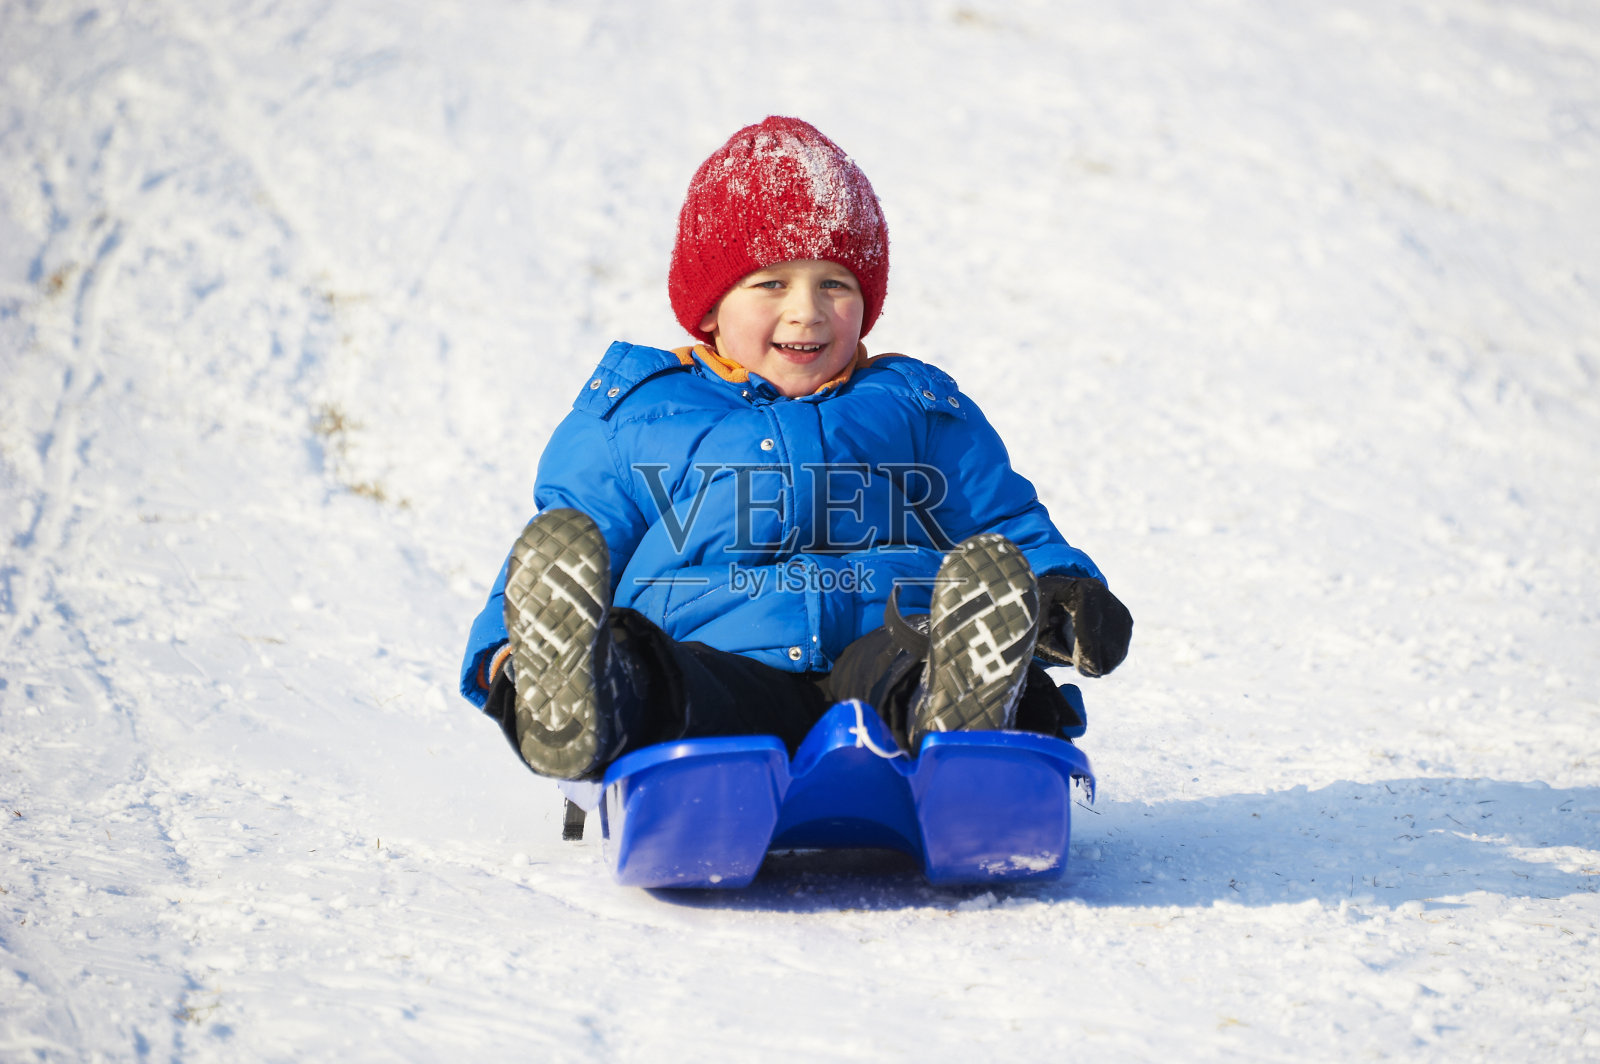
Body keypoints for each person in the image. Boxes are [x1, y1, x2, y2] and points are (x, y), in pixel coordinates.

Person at [459, 116, 1132, 788]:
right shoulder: (642, 415)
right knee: (667, 679)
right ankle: (590, 692)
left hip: (885, 652)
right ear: (711, 309)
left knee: (916, 657)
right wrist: (508, 655)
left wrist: (1063, 594)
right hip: (720, 661)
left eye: (834, 285)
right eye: (772, 283)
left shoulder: (913, 406)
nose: (807, 311)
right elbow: (576, 547)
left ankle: (956, 711)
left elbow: (1005, 526)